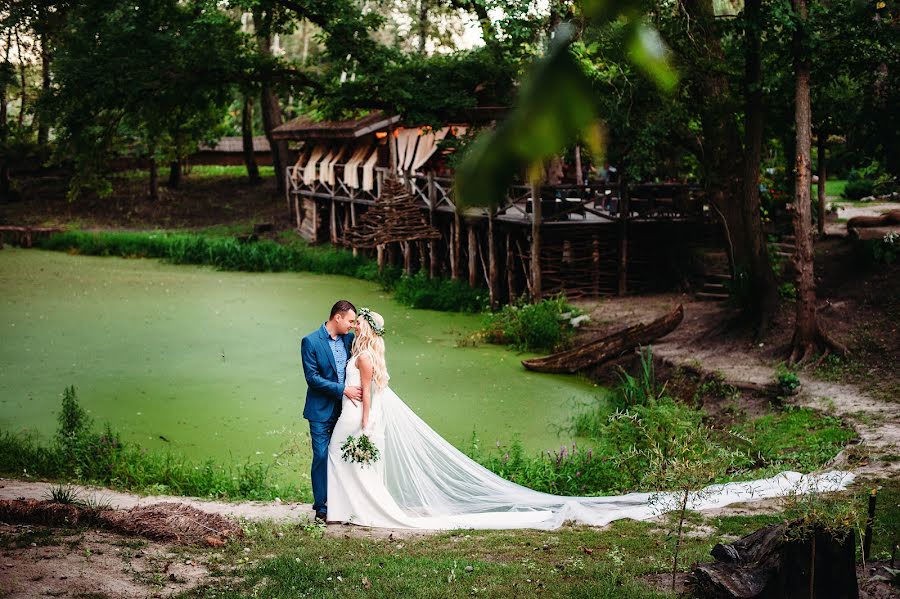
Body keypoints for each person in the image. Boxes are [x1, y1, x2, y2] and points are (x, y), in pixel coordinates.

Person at [324, 308, 855, 530]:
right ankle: (354, 509)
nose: (353, 330)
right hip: (358, 415)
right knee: (350, 467)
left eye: (357, 326)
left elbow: (370, 393)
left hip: (363, 419)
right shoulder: (366, 351)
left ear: (364, 333)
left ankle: (369, 511)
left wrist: (367, 425)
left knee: (358, 463)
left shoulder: (367, 356)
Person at [300, 300, 362, 523]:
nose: (352, 325)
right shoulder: (310, 341)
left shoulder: (350, 339)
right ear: (338, 317)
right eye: (350, 321)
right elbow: (312, 378)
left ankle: (343, 502)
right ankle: (321, 507)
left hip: (346, 411)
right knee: (321, 455)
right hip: (319, 411)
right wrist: (343, 389)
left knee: (344, 455)